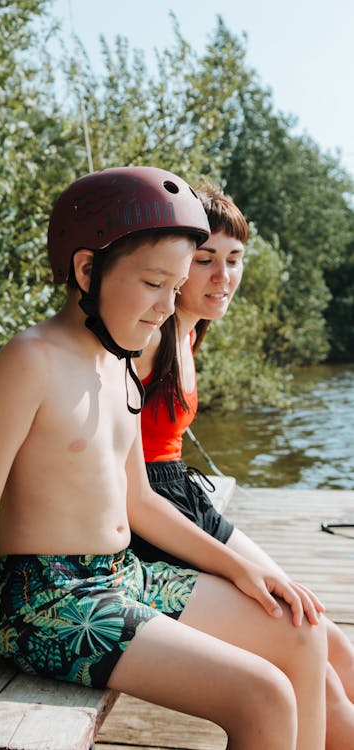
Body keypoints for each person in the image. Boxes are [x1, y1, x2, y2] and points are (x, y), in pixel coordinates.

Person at [0, 167, 328, 750]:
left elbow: (139, 500)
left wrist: (239, 566)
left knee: (301, 630)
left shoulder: (119, 363)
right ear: (87, 269)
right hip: (49, 598)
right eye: (153, 284)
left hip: (125, 576)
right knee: (263, 693)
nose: (168, 307)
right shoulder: (30, 361)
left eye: (176, 289)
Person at [132, 182, 354, 749]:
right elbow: (128, 478)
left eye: (233, 261)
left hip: (184, 496)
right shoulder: (149, 334)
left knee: (332, 640)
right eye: (204, 261)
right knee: (314, 655)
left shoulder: (185, 330)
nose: (221, 277)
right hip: (155, 520)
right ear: (176, 264)